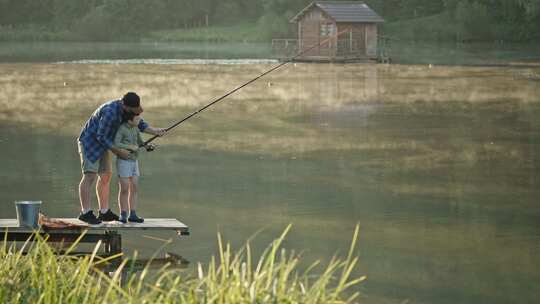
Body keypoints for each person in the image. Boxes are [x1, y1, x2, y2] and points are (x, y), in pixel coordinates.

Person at [77, 92, 166, 224]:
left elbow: (138, 123)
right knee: (89, 176)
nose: (135, 112)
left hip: (104, 144)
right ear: (125, 105)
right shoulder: (110, 112)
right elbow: (100, 136)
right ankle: (85, 213)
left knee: (106, 176)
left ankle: (104, 211)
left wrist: (155, 131)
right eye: (132, 110)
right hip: (90, 143)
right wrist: (119, 151)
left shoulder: (127, 110)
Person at [113, 112, 152, 223]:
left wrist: (147, 146)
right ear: (129, 120)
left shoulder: (135, 128)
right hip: (123, 161)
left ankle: (133, 214)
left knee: (134, 186)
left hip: (134, 161)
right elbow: (116, 143)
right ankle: (123, 214)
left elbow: (140, 142)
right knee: (124, 188)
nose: (140, 120)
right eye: (137, 119)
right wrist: (130, 147)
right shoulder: (121, 129)